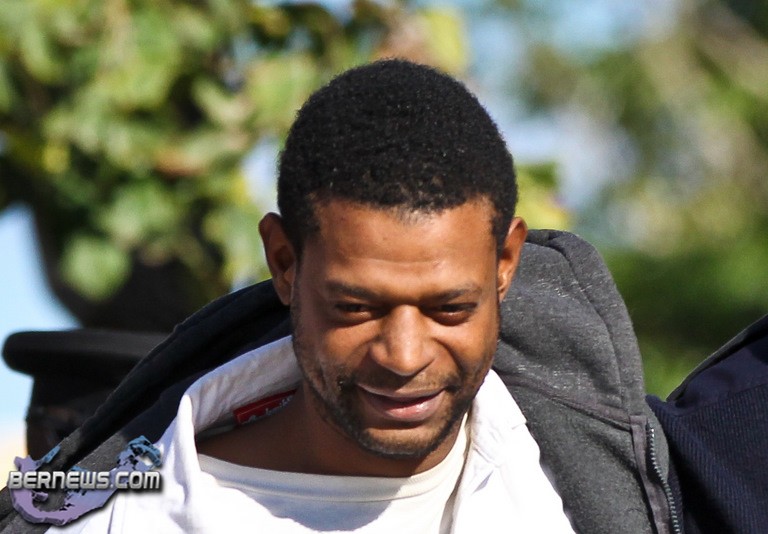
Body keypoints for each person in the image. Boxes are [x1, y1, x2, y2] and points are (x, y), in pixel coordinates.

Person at [47, 60, 574, 532]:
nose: (404, 355)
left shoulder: (574, 495)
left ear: (505, 265)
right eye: (356, 309)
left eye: (449, 309)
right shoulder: (128, 520)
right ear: (284, 263)